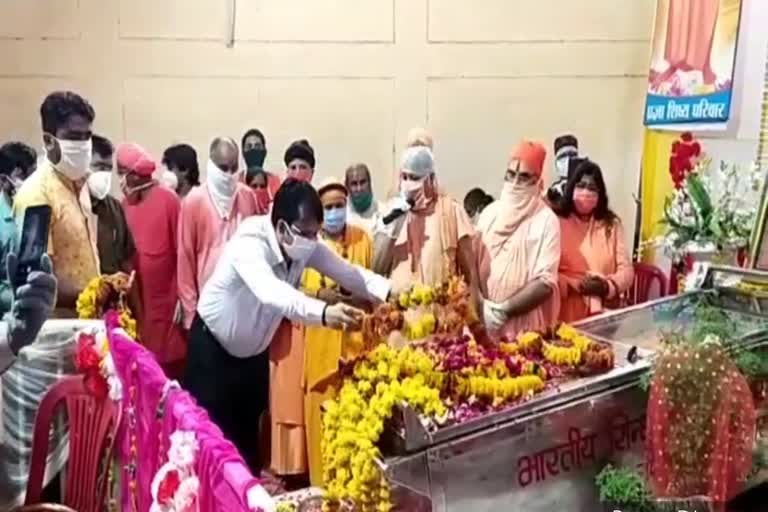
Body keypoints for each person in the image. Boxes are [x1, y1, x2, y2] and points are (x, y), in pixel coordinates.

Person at [185, 179, 391, 473]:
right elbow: (274, 294)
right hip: (212, 357)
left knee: (247, 453)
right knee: (209, 453)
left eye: (315, 233)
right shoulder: (250, 243)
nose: (312, 240)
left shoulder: (303, 244)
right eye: (305, 233)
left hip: (252, 359)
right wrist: (325, 314)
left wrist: (389, 291)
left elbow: (347, 272)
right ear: (281, 227)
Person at [297, 177, 373, 485]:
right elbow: (296, 291)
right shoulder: (306, 246)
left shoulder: (363, 239)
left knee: (358, 431)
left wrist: (350, 295)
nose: (334, 213)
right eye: (327, 207)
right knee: (322, 432)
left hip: (358, 350)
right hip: (321, 351)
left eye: (339, 206)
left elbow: (370, 287)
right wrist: (321, 297)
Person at [13, 91, 100, 317]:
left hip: (85, 325)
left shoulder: (78, 186)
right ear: (48, 140)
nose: (83, 144)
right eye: (73, 136)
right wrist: (96, 292)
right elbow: (34, 279)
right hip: (52, 335)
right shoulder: (36, 195)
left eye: (87, 136)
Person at [474, 141, 560, 338]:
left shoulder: (547, 221)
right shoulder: (490, 214)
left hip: (524, 329)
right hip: (483, 324)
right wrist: (480, 305)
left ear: (537, 181)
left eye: (524, 177)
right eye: (511, 174)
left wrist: (502, 311)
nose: (515, 183)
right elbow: (471, 265)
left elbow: (545, 282)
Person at [177, 137, 262, 336]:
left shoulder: (248, 197)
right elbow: (185, 259)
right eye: (223, 168)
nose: (229, 175)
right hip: (208, 310)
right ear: (211, 165)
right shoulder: (194, 201)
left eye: (234, 168)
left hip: (244, 308)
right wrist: (190, 316)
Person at [118, 143, 186, 377]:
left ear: (135, 175)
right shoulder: (124, 206)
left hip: (167, 305)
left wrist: (182, 296)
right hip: (137, 304)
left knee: (170, 373)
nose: (119, 179)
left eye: (121, 172)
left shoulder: (169, 201)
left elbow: (183, 253)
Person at [373, 146, 475, 292]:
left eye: (415, 178)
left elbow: (470, 272)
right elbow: (376, 270)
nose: (408, 184)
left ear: (431, 179)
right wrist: (392, 228)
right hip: (400, 311)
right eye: (405, 177)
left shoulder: (451, 211)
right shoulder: (391, 213)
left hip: (440, 310)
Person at [557, 160, 634, 322]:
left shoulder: (611, 224)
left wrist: (606, 287)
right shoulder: (556, 222)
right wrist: (576, 286)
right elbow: (546, 272)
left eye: (592, 188)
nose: (585, 192)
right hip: (565, 313)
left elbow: (627, 271)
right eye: (581, 185)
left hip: (605, 313)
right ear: (571, 188)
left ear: (600, 194)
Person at [88, 135, 136, 275]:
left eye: (108, 169)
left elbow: (126, 259)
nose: (104, 174)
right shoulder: (69, 205)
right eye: (99, 166)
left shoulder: (114, 208)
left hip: (112, 292)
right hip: (80, 294)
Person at [242, 128, 281, 198]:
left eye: (257, 146)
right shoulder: (235, 182)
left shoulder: (275, 181)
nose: (253, 150)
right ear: (243, 152)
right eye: (249, 146)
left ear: (264, 152)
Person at [344, 163, 381, 235]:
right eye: (354, 184)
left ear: (370, 183)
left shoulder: (383, 212)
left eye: (363, 182)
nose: (359, 189)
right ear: (347, 187)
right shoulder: (343, 217)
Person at [545, 135, 579, 212]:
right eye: (563, 156)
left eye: (573, 155)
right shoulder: (550, 195)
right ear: (556, 163)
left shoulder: (588, 190)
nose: (568, 160)